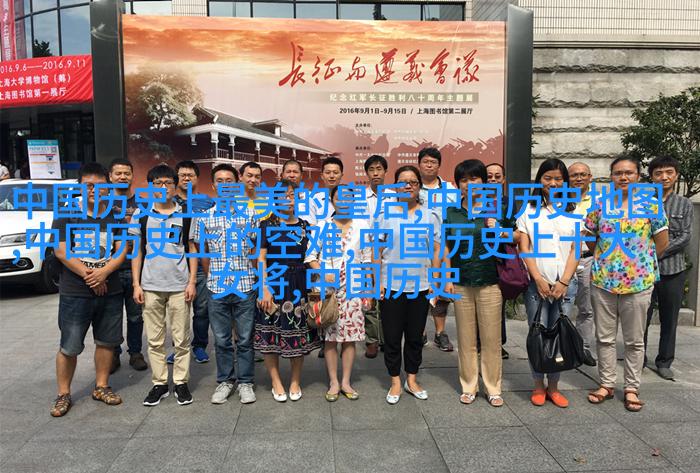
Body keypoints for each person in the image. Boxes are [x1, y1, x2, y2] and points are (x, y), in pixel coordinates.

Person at [585, 156, 668, 412]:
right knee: (604, 338)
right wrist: (605, 258)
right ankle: (607, 383)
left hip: (638, 282)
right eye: (618, 173)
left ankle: (632, 388)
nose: (623, 177)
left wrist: (640, 263)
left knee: (634, 340)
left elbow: (662, 242)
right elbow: (590, 237)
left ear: (638, 176)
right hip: (604, 281)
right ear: (611, 176)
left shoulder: (650, 205)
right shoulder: (600, 204)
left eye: (629, 173)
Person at [50, 163, 127, 417]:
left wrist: (104, 273)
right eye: (88, 185)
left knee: (107, 342)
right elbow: (61, 250)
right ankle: (63, 393)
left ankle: (101, 386)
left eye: (99, 185)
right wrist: (91, 275)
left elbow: (122, 249)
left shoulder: (116, 214)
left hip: (110, 290)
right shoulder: (67, 212)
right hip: (75, 292)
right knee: (69, 345)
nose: (94, 190)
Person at [191, 163, 258, 405]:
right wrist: (211, 276)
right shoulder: (204, 217)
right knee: (221, 339)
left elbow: (255, 249)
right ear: (213, 185)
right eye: (220, 181)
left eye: (229, 180)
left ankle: (246, 382)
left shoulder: (249, 214)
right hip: (217, 286)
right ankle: (226, 381)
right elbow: (203, 251)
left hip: (245, 284)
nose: (225, 185)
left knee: (245, 338)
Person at [131, 165, 197, 406]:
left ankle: (181, 382)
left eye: (168, 182)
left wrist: (192, 281)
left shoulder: (185, 214)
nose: (164, 187)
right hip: (151, 286)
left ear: (175, 185)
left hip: (180, 285)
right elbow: (137, 251)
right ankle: (159, 383)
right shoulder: (141, 215)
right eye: (158, 183)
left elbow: (192, 249)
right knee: (155, 339)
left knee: (182, 339)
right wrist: (136, 284)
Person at [444, 159, 508, 407]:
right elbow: (447, 247)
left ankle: (493, 387)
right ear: (457, 184)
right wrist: (447, 277)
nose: (469, 184)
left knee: (491, 338)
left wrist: (498, 229)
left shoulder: (497, 210)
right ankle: (469, 385)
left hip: (490, 282)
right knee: (466, 338)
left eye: (474, 178)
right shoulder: (451, 212)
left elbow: (516, 237)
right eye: (463, 179)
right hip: (461, 281)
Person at [517, 158, 580, 408]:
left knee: (559, 333)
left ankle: (553, 387)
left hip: (565, 285)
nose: (553, 183)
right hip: (537, 286)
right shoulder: (529, 210)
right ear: (539, 180)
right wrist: (538, 279)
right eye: (548, 178)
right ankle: (537, 385)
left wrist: (564, 281)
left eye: (558, 179)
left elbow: (576, 249)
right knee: (538, 333)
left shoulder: (574, 211)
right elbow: (525, 247)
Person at [375, 165, 440, 404]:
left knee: (415, 337)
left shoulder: (430, 215)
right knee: (392, 337)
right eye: (403, 182)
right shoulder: (384, 215)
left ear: (419, 186)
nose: (408, 186)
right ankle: (395, 381)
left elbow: (436, 249)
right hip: (391, 285)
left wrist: (435, 280)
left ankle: (411, 379)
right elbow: (376, 251)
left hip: (420, 285)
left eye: (413, 182)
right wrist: (377, 283)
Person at [255, 179, 321, 402]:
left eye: (292, 195)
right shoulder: (266, 225)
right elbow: (261, 259)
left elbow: (311, 258)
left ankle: (295, 381)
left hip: (299, 285)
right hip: (273, 284)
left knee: (298, 336)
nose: (288, 199)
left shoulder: (305, 226)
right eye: (283, 195)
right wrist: (264, 288)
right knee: (270, 336)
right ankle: (276, 381)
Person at [317, 186, 369, 401]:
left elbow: (367, 258)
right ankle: (333, 381)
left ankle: (346, 381)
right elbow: (310, 256)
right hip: (330, 291)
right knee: (330, 338)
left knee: (350, 338)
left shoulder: (362, 225)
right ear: (332, 201)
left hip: (353, 288)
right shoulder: (322, 226)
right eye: (340, 198)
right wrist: (323, 273)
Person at [643, 156, 693, 380]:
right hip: (644, 269)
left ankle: (664, 361)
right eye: (658, 173)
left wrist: (658, 251)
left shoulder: (684, 204)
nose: (664, 177)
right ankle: (638, 357)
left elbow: (685, 236)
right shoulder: (642, 203)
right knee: (641, 317)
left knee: (669, 317)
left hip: (672, 269)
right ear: (651, 177)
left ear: (676, 175)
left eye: (669, 172)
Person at [164, 160, 215, 365]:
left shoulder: (208, 203)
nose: (186, 178)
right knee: (179, 310)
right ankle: (179, 347)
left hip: (201, 263)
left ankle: (199, 346)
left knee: (202, 309)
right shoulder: (170, 202)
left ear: (197, 178)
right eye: (182, 175)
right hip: (177, 263)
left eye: (190, 175)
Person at [108, 158, 147, 373]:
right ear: (110, 176)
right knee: (112, 315)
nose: (123, 177)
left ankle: (135, 353)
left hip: (135, 269)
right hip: (111, 270)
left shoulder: (142, 204)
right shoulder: (103, 204)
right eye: (118, 173)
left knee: (135, 315)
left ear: (132, 176)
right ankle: (113, 353)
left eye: (127, 173)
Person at [417, 147, 457, 352]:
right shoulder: (413, 187)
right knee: (420, 290)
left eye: (433, 162)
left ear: (439, 165)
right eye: (425, 161)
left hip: (443, 246)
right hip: (417, 247)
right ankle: (420, 332)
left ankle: (440, 333)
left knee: (440, 290)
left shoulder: (450, 190)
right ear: (419, 164)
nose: (429, 165)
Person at [308, 156, 343, 359]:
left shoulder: (348, 197)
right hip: (322, 256)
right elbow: (312, 228)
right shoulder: (314, 200)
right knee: (324, 303)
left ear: (341, 174)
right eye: (328, 172)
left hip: (345, 257)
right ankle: (324, 340)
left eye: (335, 172)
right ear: (321, 175)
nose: (332, 175)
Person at [568, 162, 598, 367]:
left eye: (583, 174)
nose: (578, 178)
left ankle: (583, 348)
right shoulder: (559, 200)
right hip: (563, 259)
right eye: (574, 175)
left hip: (588, 258)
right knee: (561, 306)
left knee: (586, 308)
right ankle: (561, 346)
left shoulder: (599, 201)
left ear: (590, 177)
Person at [362, 154, 388, 358]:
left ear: (385, 171)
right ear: (367, 173)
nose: (376, 173)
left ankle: (387, 338)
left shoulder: (395, 196)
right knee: (370, 298)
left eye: (379, 169)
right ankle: (372, 340)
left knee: (388, 297)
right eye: (371, 170)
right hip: (366, 251)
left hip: (389, 253)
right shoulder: (359, 198)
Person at [485, 162, 512, 360]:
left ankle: (497, 343)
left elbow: (516, 231)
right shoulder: (474, 201)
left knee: (497, 304)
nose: (493, 180)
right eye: (489, 176)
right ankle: (479, 342)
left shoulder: (508, 203)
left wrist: (500, 228)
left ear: (503, 180)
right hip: (477, 258)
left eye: (497, 176)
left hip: (500, 259)